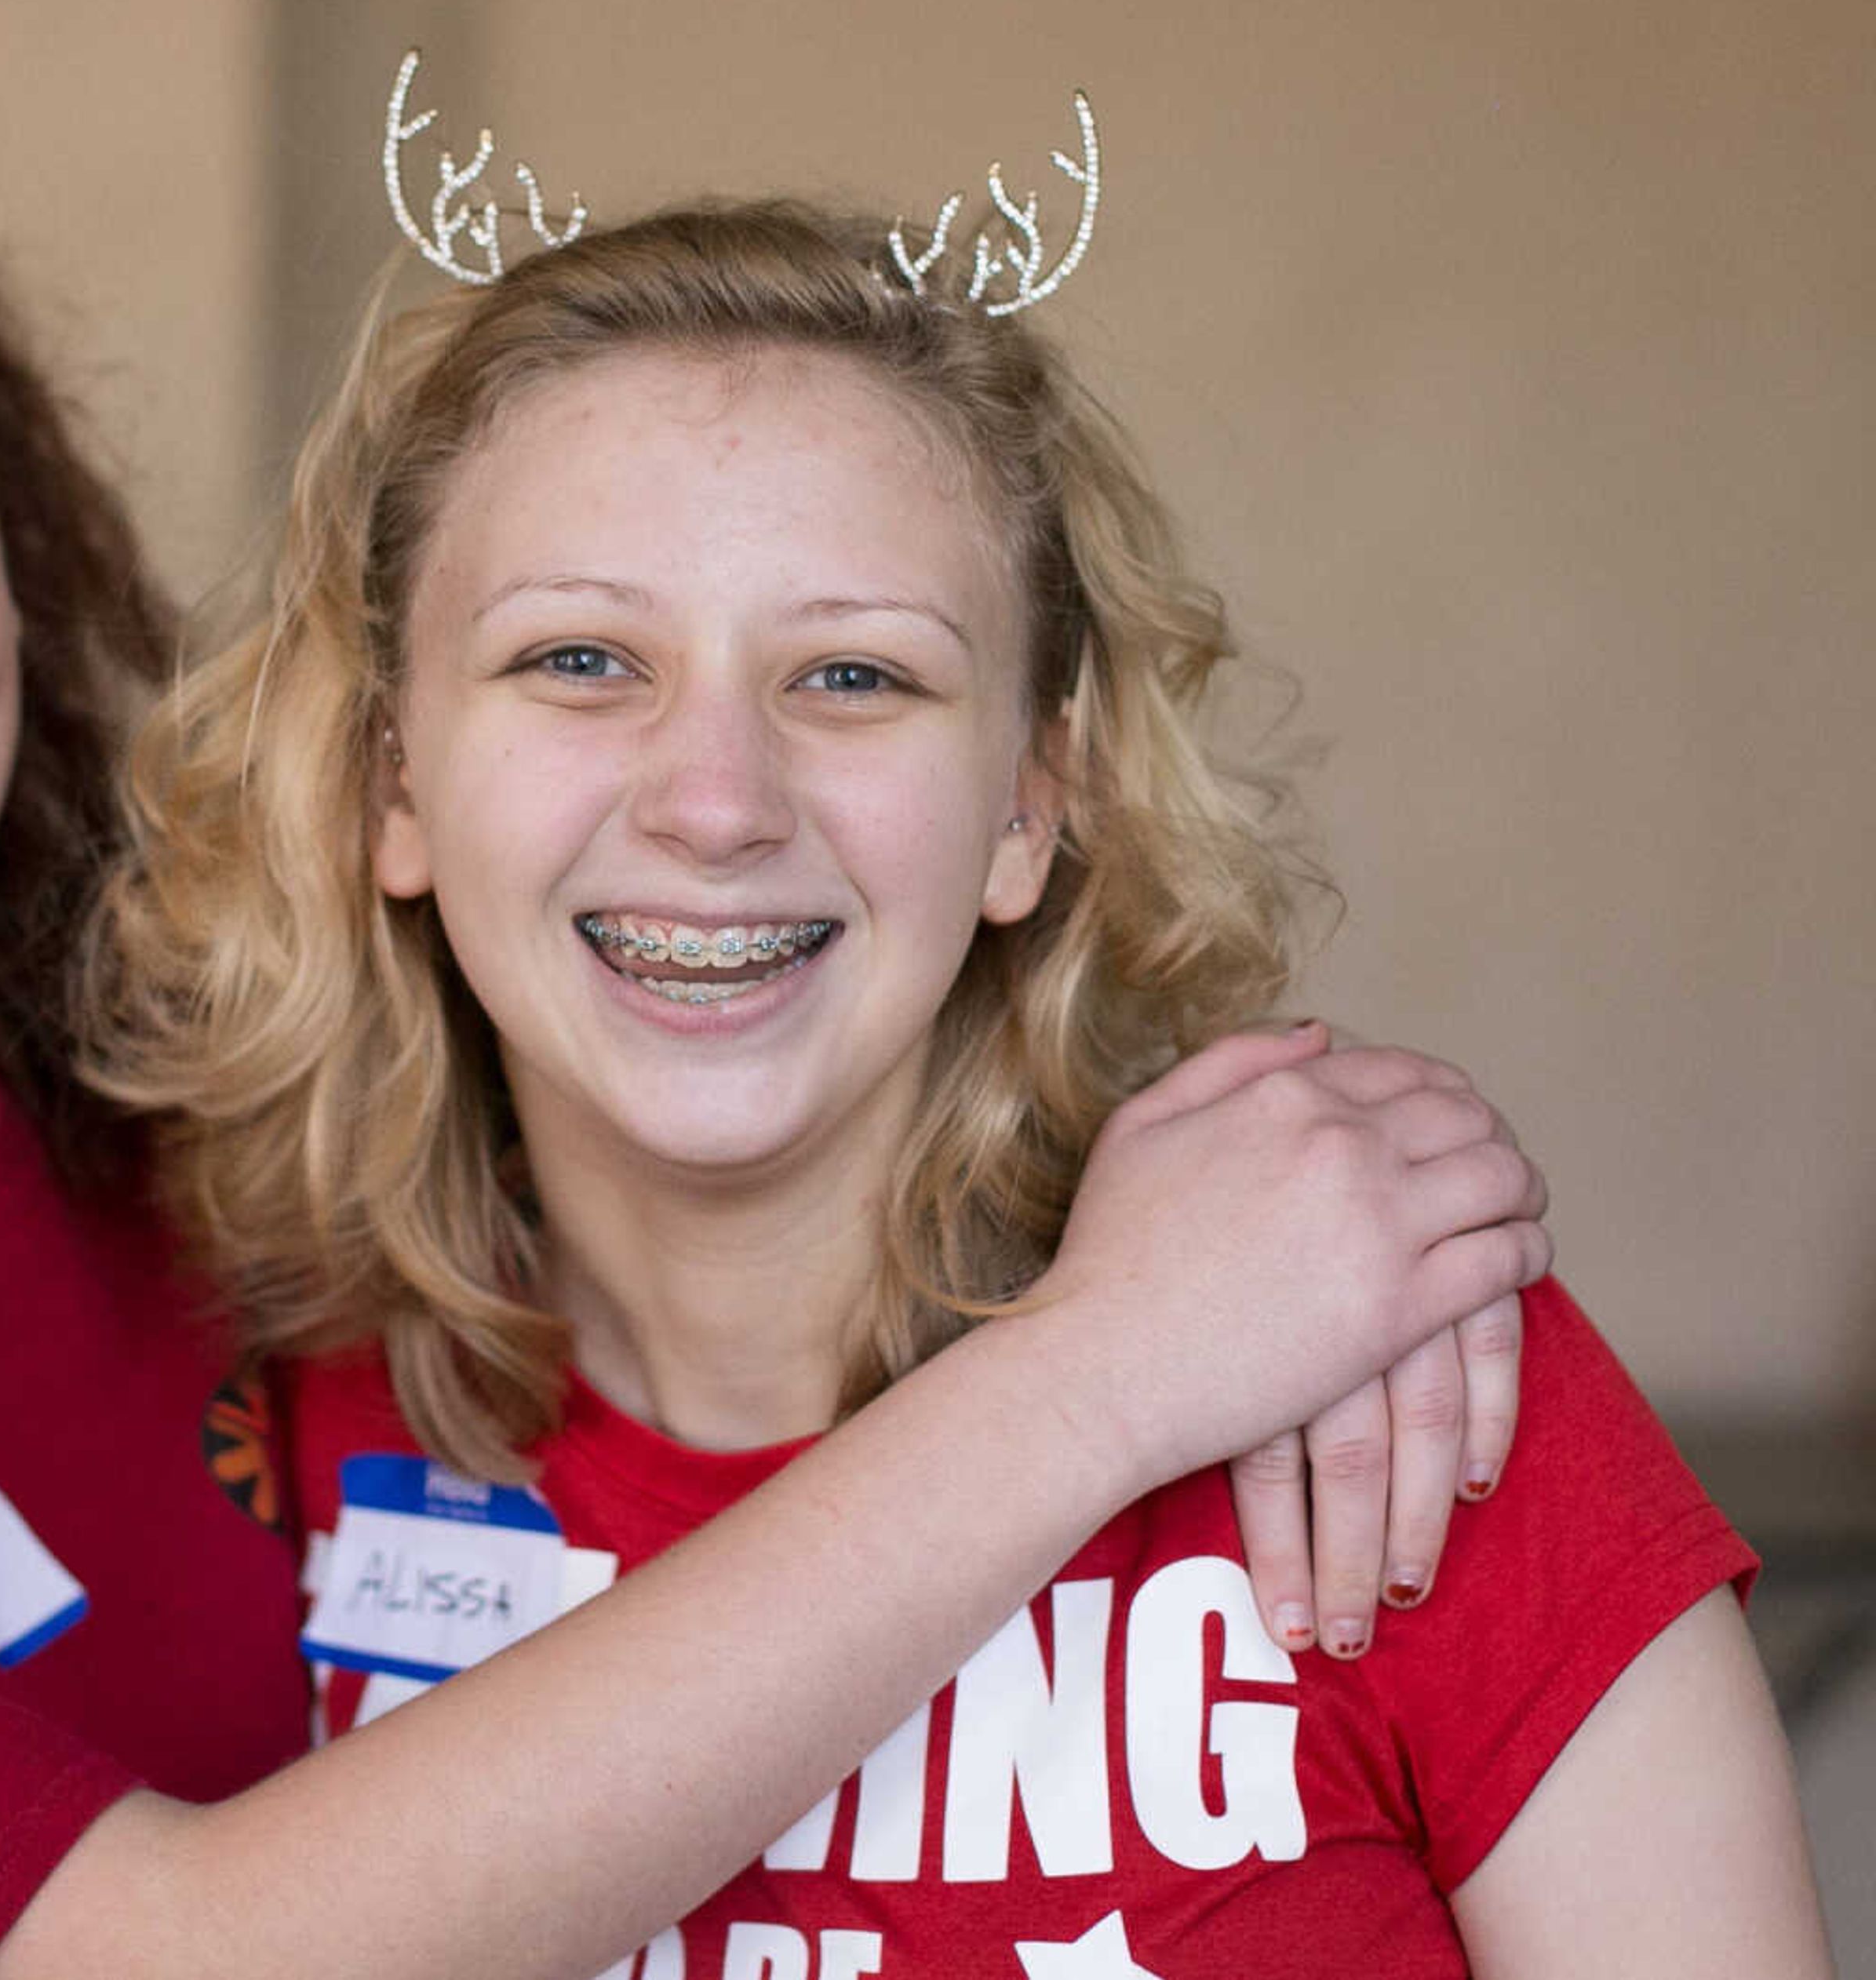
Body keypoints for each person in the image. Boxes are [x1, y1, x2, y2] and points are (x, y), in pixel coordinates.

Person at [0, 48, 1553, 1980]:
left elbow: (790, 1000)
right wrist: (1129, 1359)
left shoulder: (231, 1080)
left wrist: (1304, 1163)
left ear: (9, 510)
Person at [88, 189, 1831, 1977]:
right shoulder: (228, 1433)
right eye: (580, 660)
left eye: (854, 674)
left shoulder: (1388, 1388)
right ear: (392, 782)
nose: (715, 800)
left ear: (1030, 804)